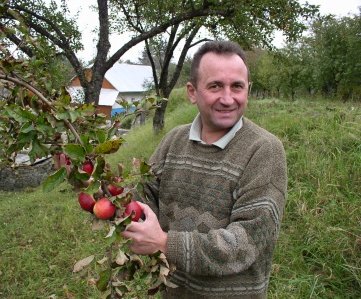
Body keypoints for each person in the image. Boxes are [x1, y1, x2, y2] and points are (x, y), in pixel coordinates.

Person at [120, 40, 287, 299]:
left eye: (237, 86)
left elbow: (246, 243)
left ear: (248, 90)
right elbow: (140, 202)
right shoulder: (173, 141)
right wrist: (89, 182)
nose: (228, 98)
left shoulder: (264, 150)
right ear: (192, 91)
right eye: (215, 86)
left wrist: (165, 243)